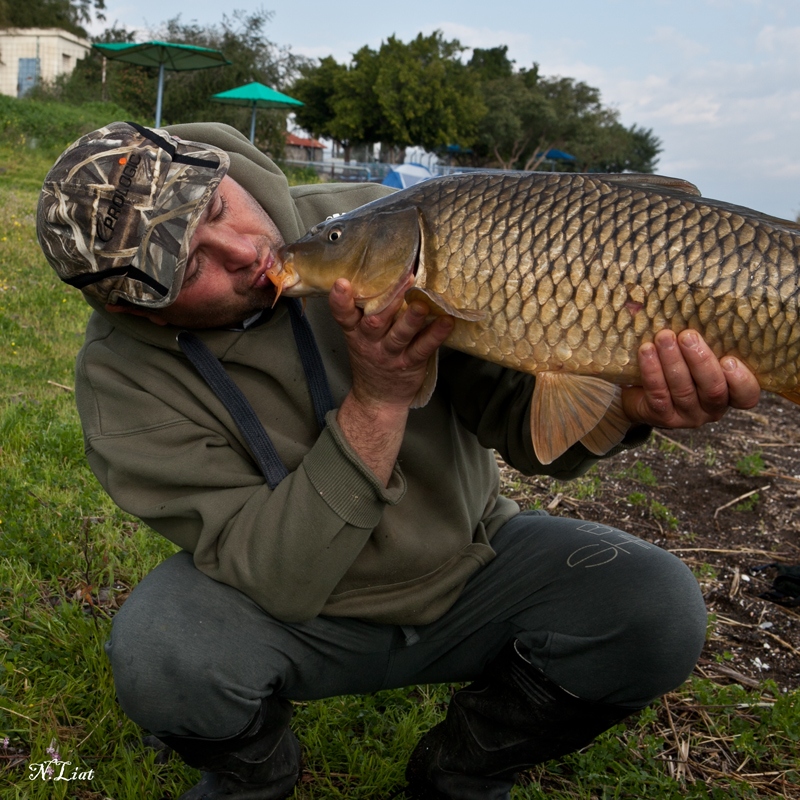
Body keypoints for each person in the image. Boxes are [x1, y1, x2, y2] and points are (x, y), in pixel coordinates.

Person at [36, 121, 761, 800]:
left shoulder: (380, 225)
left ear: (224, 168)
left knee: (657, 606)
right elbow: (274, 573)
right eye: (193, 263)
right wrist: (379, 399)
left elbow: (519, 425)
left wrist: (630, 406)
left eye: (219, 206)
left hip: (471, 564)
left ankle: (462, 771)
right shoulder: (120, 388)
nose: (242, 251)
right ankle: (256, 778)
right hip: (298, 612)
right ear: (141, 310)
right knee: (160, 654)